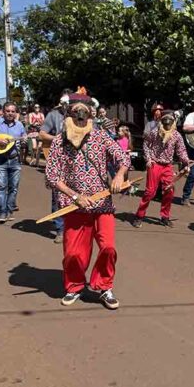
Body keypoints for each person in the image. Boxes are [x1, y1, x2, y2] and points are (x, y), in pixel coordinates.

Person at [45, 91, 130, 310]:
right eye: (76, 113)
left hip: (102, 204)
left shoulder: (101, 136)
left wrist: (120, 175)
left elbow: (123, 157)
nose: (80, 118)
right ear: (68, 114)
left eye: (84, 113)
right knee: (73, 253)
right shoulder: (59, 141)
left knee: (108, 247)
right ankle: (74, 286)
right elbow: (52, 176)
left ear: (90, 114)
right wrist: (74, 196)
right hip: (74, 205)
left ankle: (104, 287)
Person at [132, 110, 189, 228]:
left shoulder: (176, 135)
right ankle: (139, 215)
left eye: (169, 123)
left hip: (167, 166)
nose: (167, 126)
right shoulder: (154, 133)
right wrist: (148, 159)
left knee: (169, 190)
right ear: (161, 122)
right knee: (150, 192)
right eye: (165, 123)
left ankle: (165, 216)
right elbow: (146, 145)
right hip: (155, 164)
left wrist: (186, 161)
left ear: (173, 122)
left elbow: (181, 150)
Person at [0, 102, 27, 224]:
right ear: (3, 111)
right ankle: (2, 212)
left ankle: (9, 209)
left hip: (15, 159)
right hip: (0, 159)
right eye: (8, 111)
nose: (10, 113)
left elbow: (23, 138)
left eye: (13, 111)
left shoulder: (19, 125)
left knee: (13, 187)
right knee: (2, 186)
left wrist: (24, 141)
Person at [39, 89, 72, 244]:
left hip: (74, 161)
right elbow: (42, 135)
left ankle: (72, 227)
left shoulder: (78, 114)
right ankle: (60, 229)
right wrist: (58, 140)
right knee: (57, 195)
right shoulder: (53, 115)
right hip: (57, 160)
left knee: (75, 193)